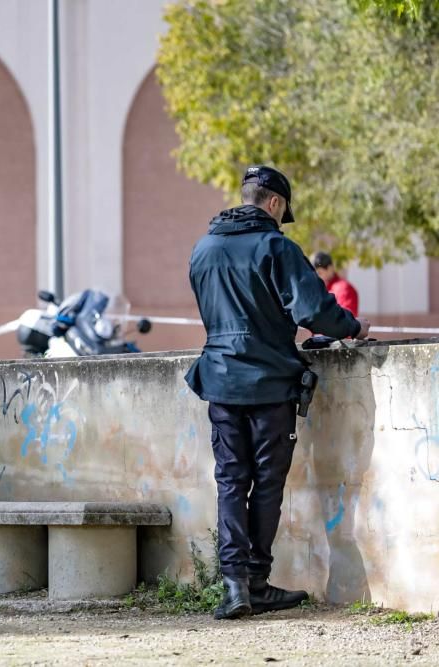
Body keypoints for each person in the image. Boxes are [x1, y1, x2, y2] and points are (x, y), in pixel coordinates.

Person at [186, 166, 370, 620]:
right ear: (273, 203)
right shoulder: (276, 246)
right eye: (284, 209)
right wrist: (352, 327)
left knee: (231, 480)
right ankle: (257, 582)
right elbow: (312, 309)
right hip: (268, 384)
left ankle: (235, 587)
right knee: (266, 484)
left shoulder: (203, 249)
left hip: (220, 381)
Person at [311, 251, 359, 317]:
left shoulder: (344, 288)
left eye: (320, 273)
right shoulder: (320, 289)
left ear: (330, 268)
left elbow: (347, 318)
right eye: (314, 274)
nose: (317, 277)